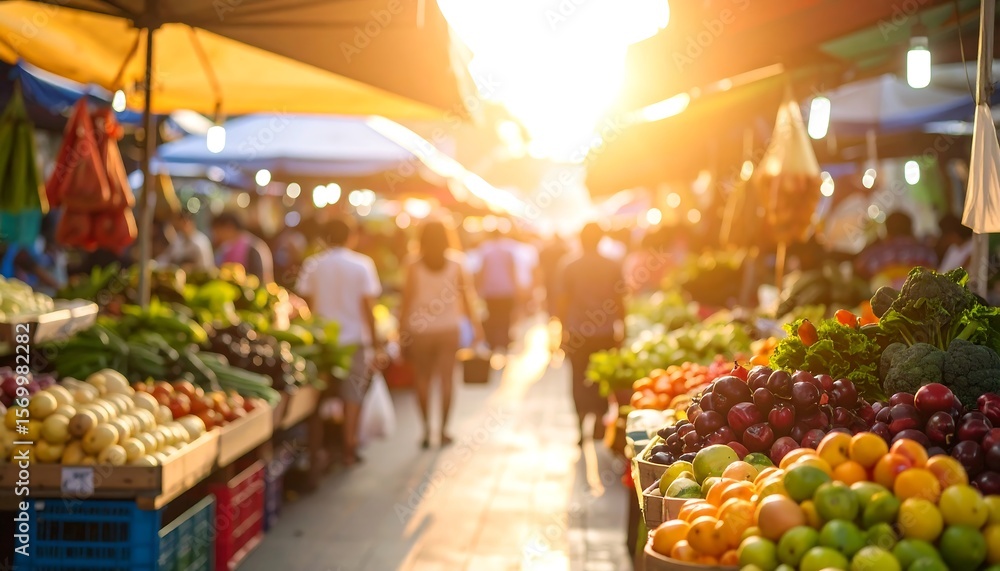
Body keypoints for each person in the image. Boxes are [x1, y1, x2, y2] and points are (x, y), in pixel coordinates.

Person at [295, 216, 382, 466]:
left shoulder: (313, 264)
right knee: (352, 396)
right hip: (353, 340)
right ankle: (348, 448)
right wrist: (376, 343)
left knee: (317, 398)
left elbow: (306, 305)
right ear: (351, 237)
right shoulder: (362, 264)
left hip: (322, 343)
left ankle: (318, 449)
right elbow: (368, 308)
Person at [399, 220, 483, 448]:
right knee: (447, 380)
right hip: (448, 329)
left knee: (422, 380)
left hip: (420, 330)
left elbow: (406, 300)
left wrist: (401, 330)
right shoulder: (457, 263)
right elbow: (467, 299)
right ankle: (444, 430)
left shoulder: (413, 265)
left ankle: (427, 430)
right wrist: (476, 327)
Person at [556, 223, 626, 445]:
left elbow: (562, 301)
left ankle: (580, 422)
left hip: (577, 331)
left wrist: (561, 331)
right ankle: (598, 418)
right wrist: (623, 327)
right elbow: (620, 299)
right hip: (605, 332)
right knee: (601, 378)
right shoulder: (612, 265)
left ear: (580, 239)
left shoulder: (569, 266)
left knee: (578, 377)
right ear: (601, 239)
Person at [855, 211, 937, 290]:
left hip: (884, 296)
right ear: (911, 229)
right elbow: (934, 268)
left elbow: (859, 268)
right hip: (921, 295)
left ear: (887, 230)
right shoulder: (925, 251)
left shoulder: (876, 253)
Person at [475, 229, 520, 353]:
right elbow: (512, 270)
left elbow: (482, 271)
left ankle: (493, 343)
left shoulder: (485, 249)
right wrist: (516, 288)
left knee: (492, 316)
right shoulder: (508, 250)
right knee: (505, 317)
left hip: (491, 291)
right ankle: (504, 342)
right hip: (506, 290)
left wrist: (478, 288)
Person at [211, 212, 274, 284]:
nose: (216, 236)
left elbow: (260, 279)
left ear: (229, 227)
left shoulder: (253, 247)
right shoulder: (225, 248)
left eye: (217, 231)